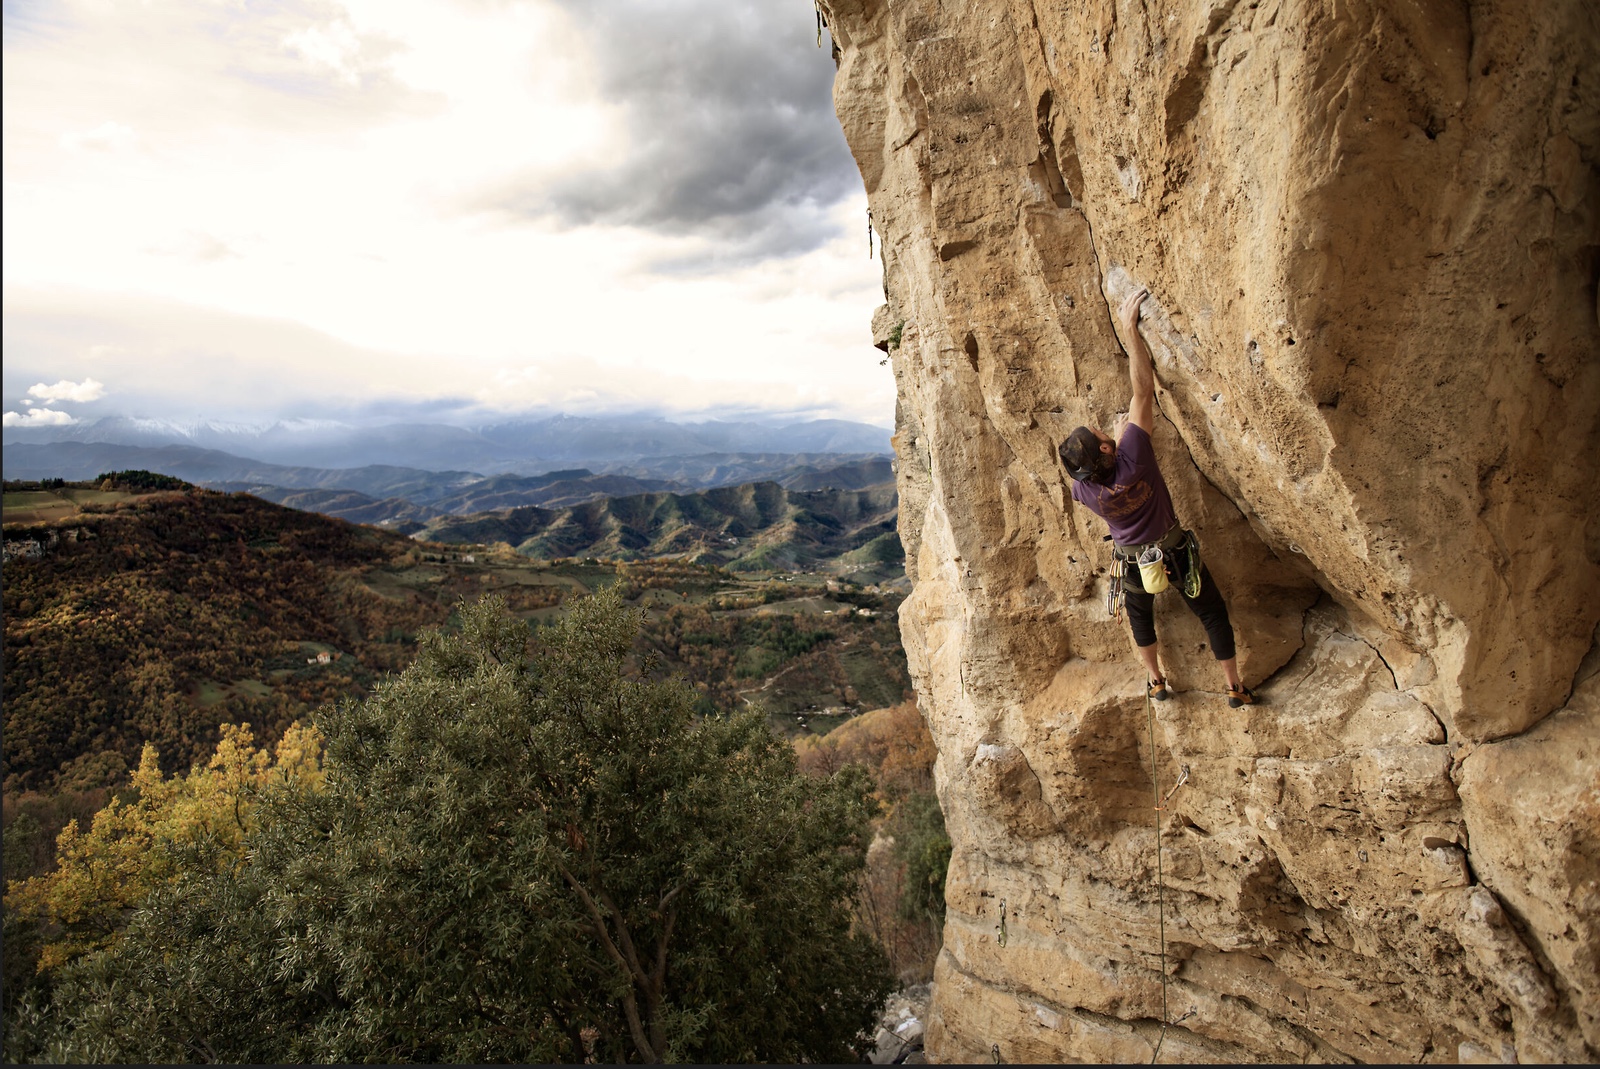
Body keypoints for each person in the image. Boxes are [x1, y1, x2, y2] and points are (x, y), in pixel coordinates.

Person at [1059, 287, 1257, 708]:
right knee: (1211, 612)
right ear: (1109, 449)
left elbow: (1087, 474)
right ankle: (1234, 686)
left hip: (1132, 559)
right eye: (1098, 434)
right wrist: (1130, 331)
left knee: (1140, 615)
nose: (1100, 429)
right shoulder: (1136, 456)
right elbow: (1142, 391)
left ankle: (1156, 681)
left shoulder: (1084, 490)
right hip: (1175, 551)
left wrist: (1102, 451)